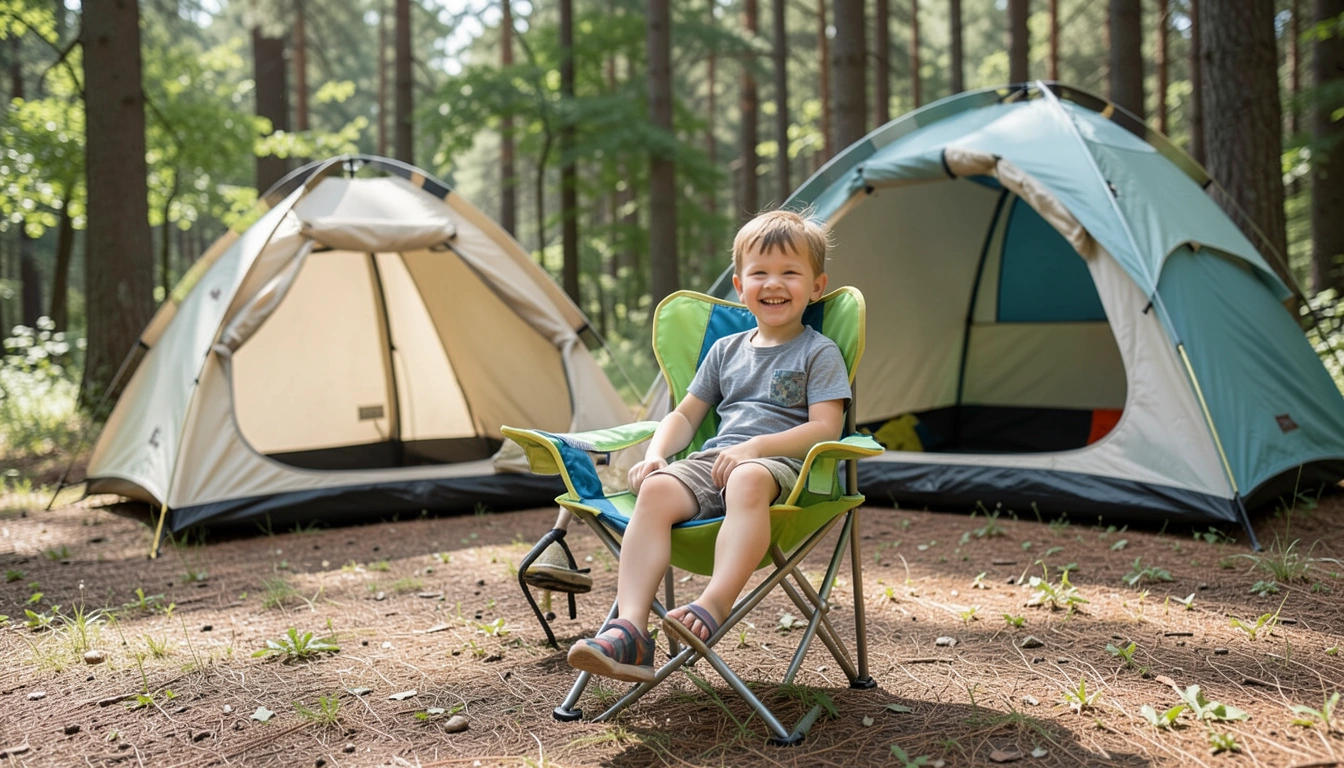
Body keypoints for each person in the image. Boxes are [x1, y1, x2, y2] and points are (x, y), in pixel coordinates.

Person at [566, 210, 851, 683]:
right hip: (714, 463)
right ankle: (631, 631)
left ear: (816, 287)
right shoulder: (724, 350)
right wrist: (656, 453)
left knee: (747, 477)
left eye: (789, 272)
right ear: (740, 287)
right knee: (656, 491)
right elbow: (683, 415)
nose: (773, 283)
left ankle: (715, 602)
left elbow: (826, 428)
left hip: (784, 470)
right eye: (760, 272)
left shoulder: (817, 352)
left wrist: (756, 449)